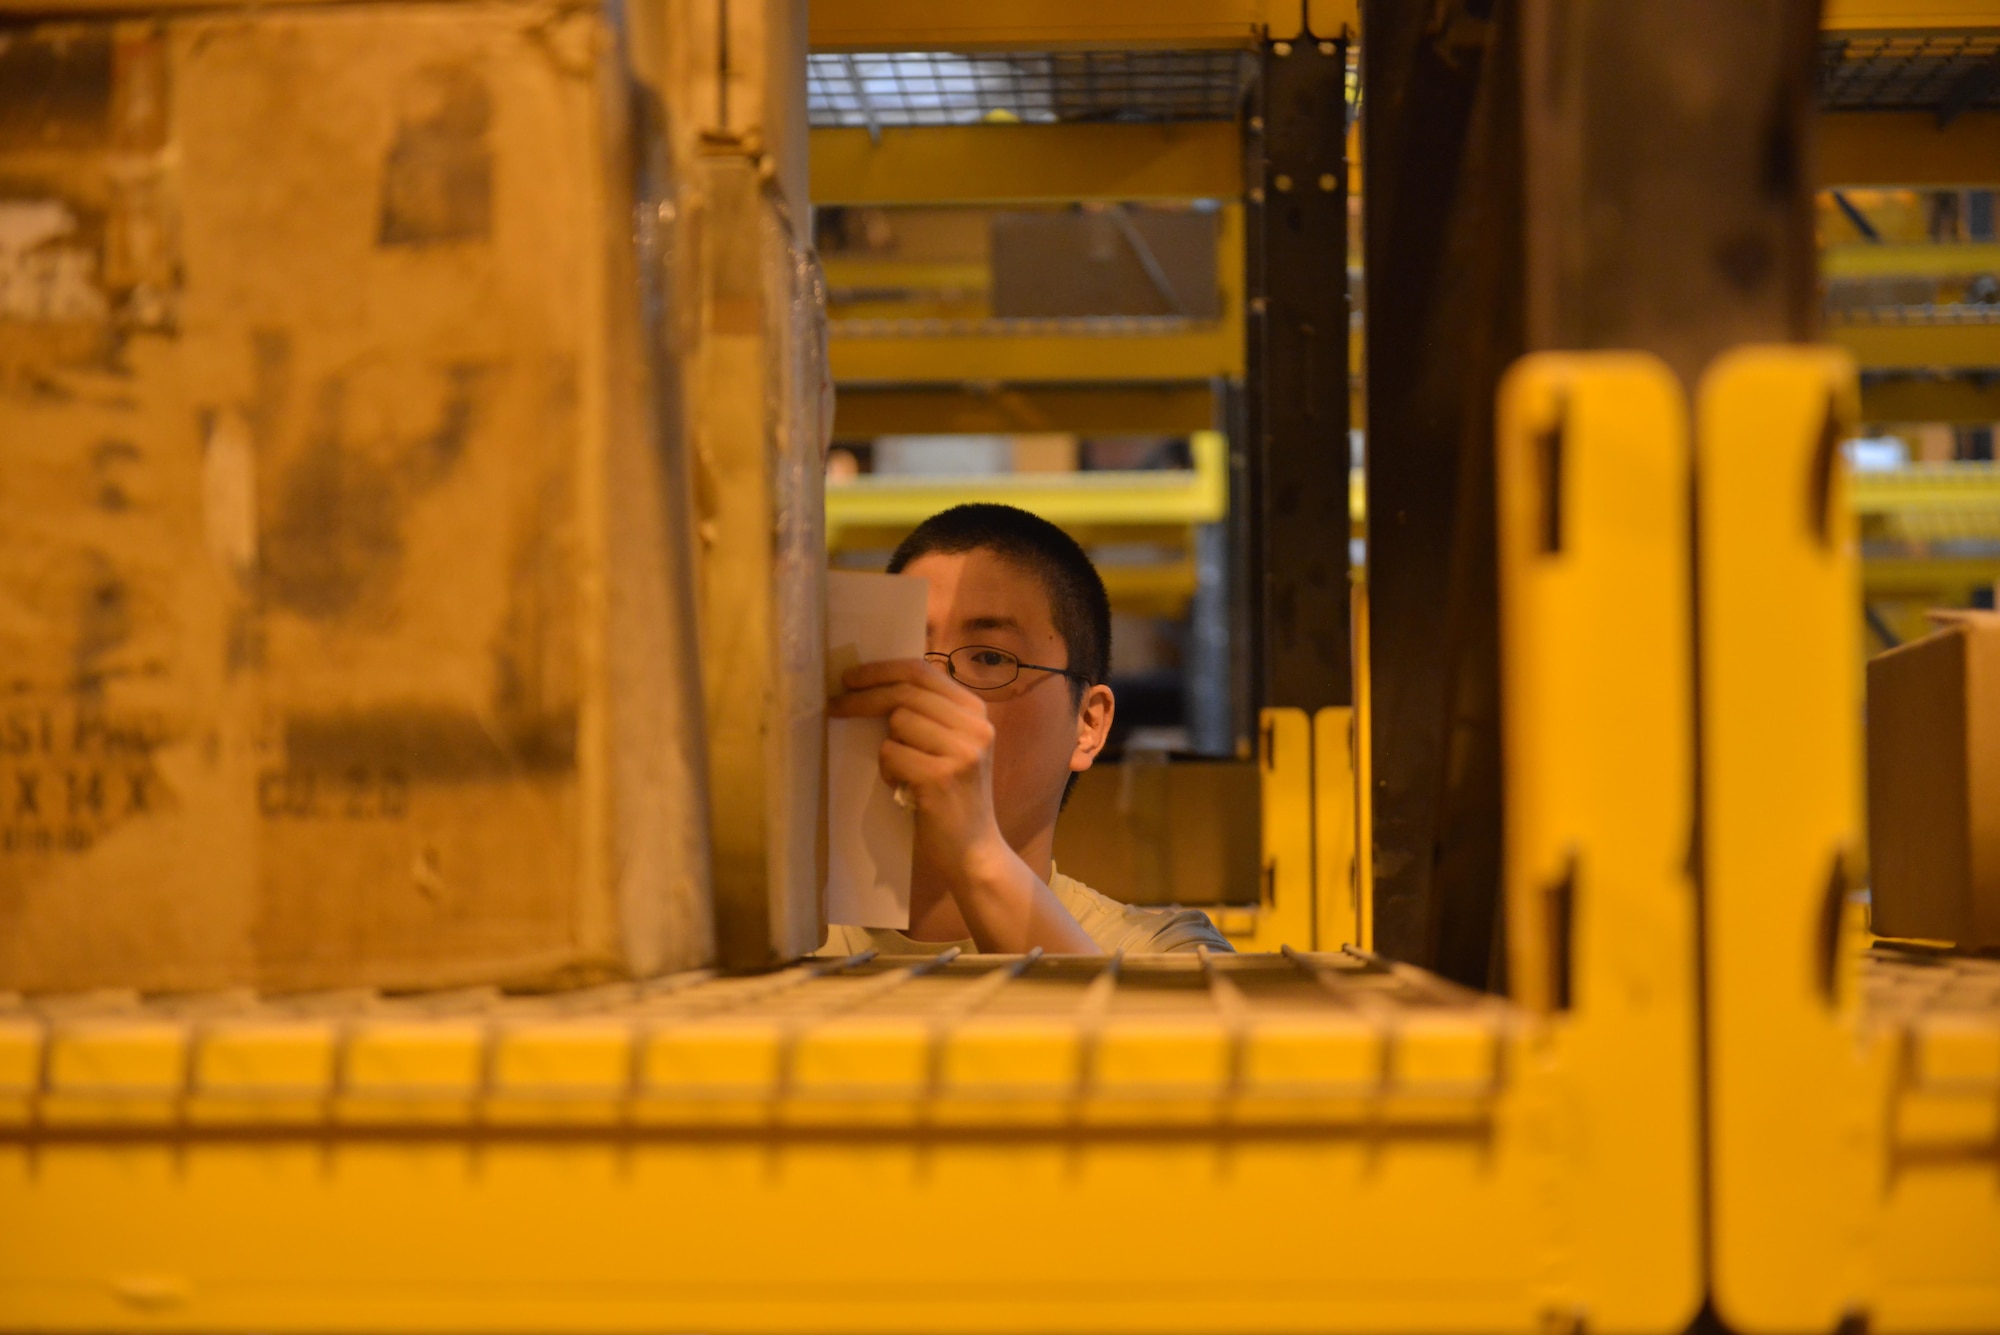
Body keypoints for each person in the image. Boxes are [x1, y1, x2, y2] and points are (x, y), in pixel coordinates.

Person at [824, 503, 1233, 957]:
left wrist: (976, 853)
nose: (932, 690)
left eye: (991, 658)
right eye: (909, 655)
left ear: (1088, 724)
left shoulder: (1162, 951)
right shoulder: (793, 943)